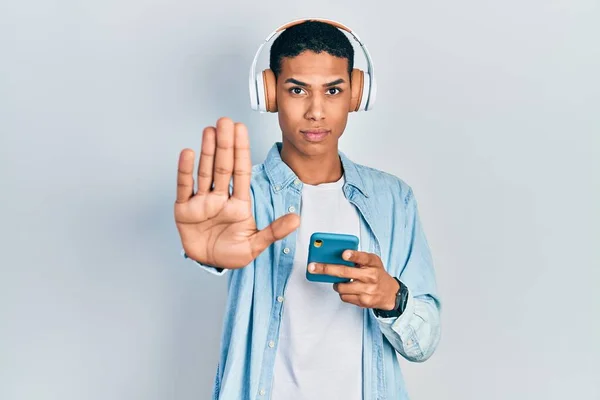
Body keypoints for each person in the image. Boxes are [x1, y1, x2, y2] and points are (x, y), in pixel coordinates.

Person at [174, 18, 441, 400]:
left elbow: (425, 341)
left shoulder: (393, 200)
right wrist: (209, 257)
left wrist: (391, 298)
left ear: (356, 93)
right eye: (297, 89)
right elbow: (217, 242)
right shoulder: (238, 197)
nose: (316, 111)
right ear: (269, 93)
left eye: (333, 90)